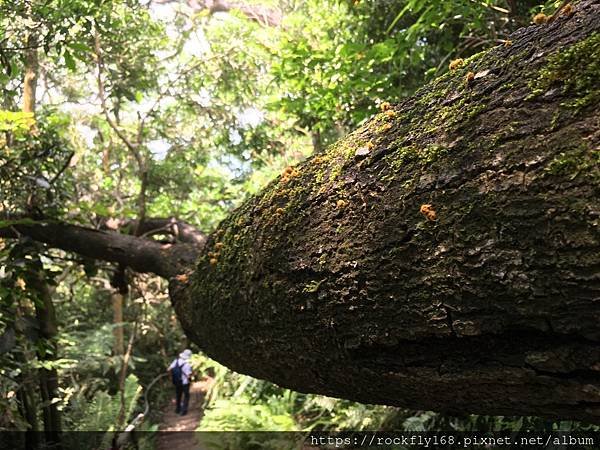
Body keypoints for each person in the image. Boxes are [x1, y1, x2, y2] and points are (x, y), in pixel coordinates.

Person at [167, 349, 193, 415]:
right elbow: (188, 375)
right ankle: (184, 410)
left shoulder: (176, 361)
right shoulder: (187, 364)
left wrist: (171, 377)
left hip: (177, 382)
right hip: (185, 383)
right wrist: (190, 380)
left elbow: (168, 369)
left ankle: (177, 409)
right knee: (186, 396)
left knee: (178, 395)